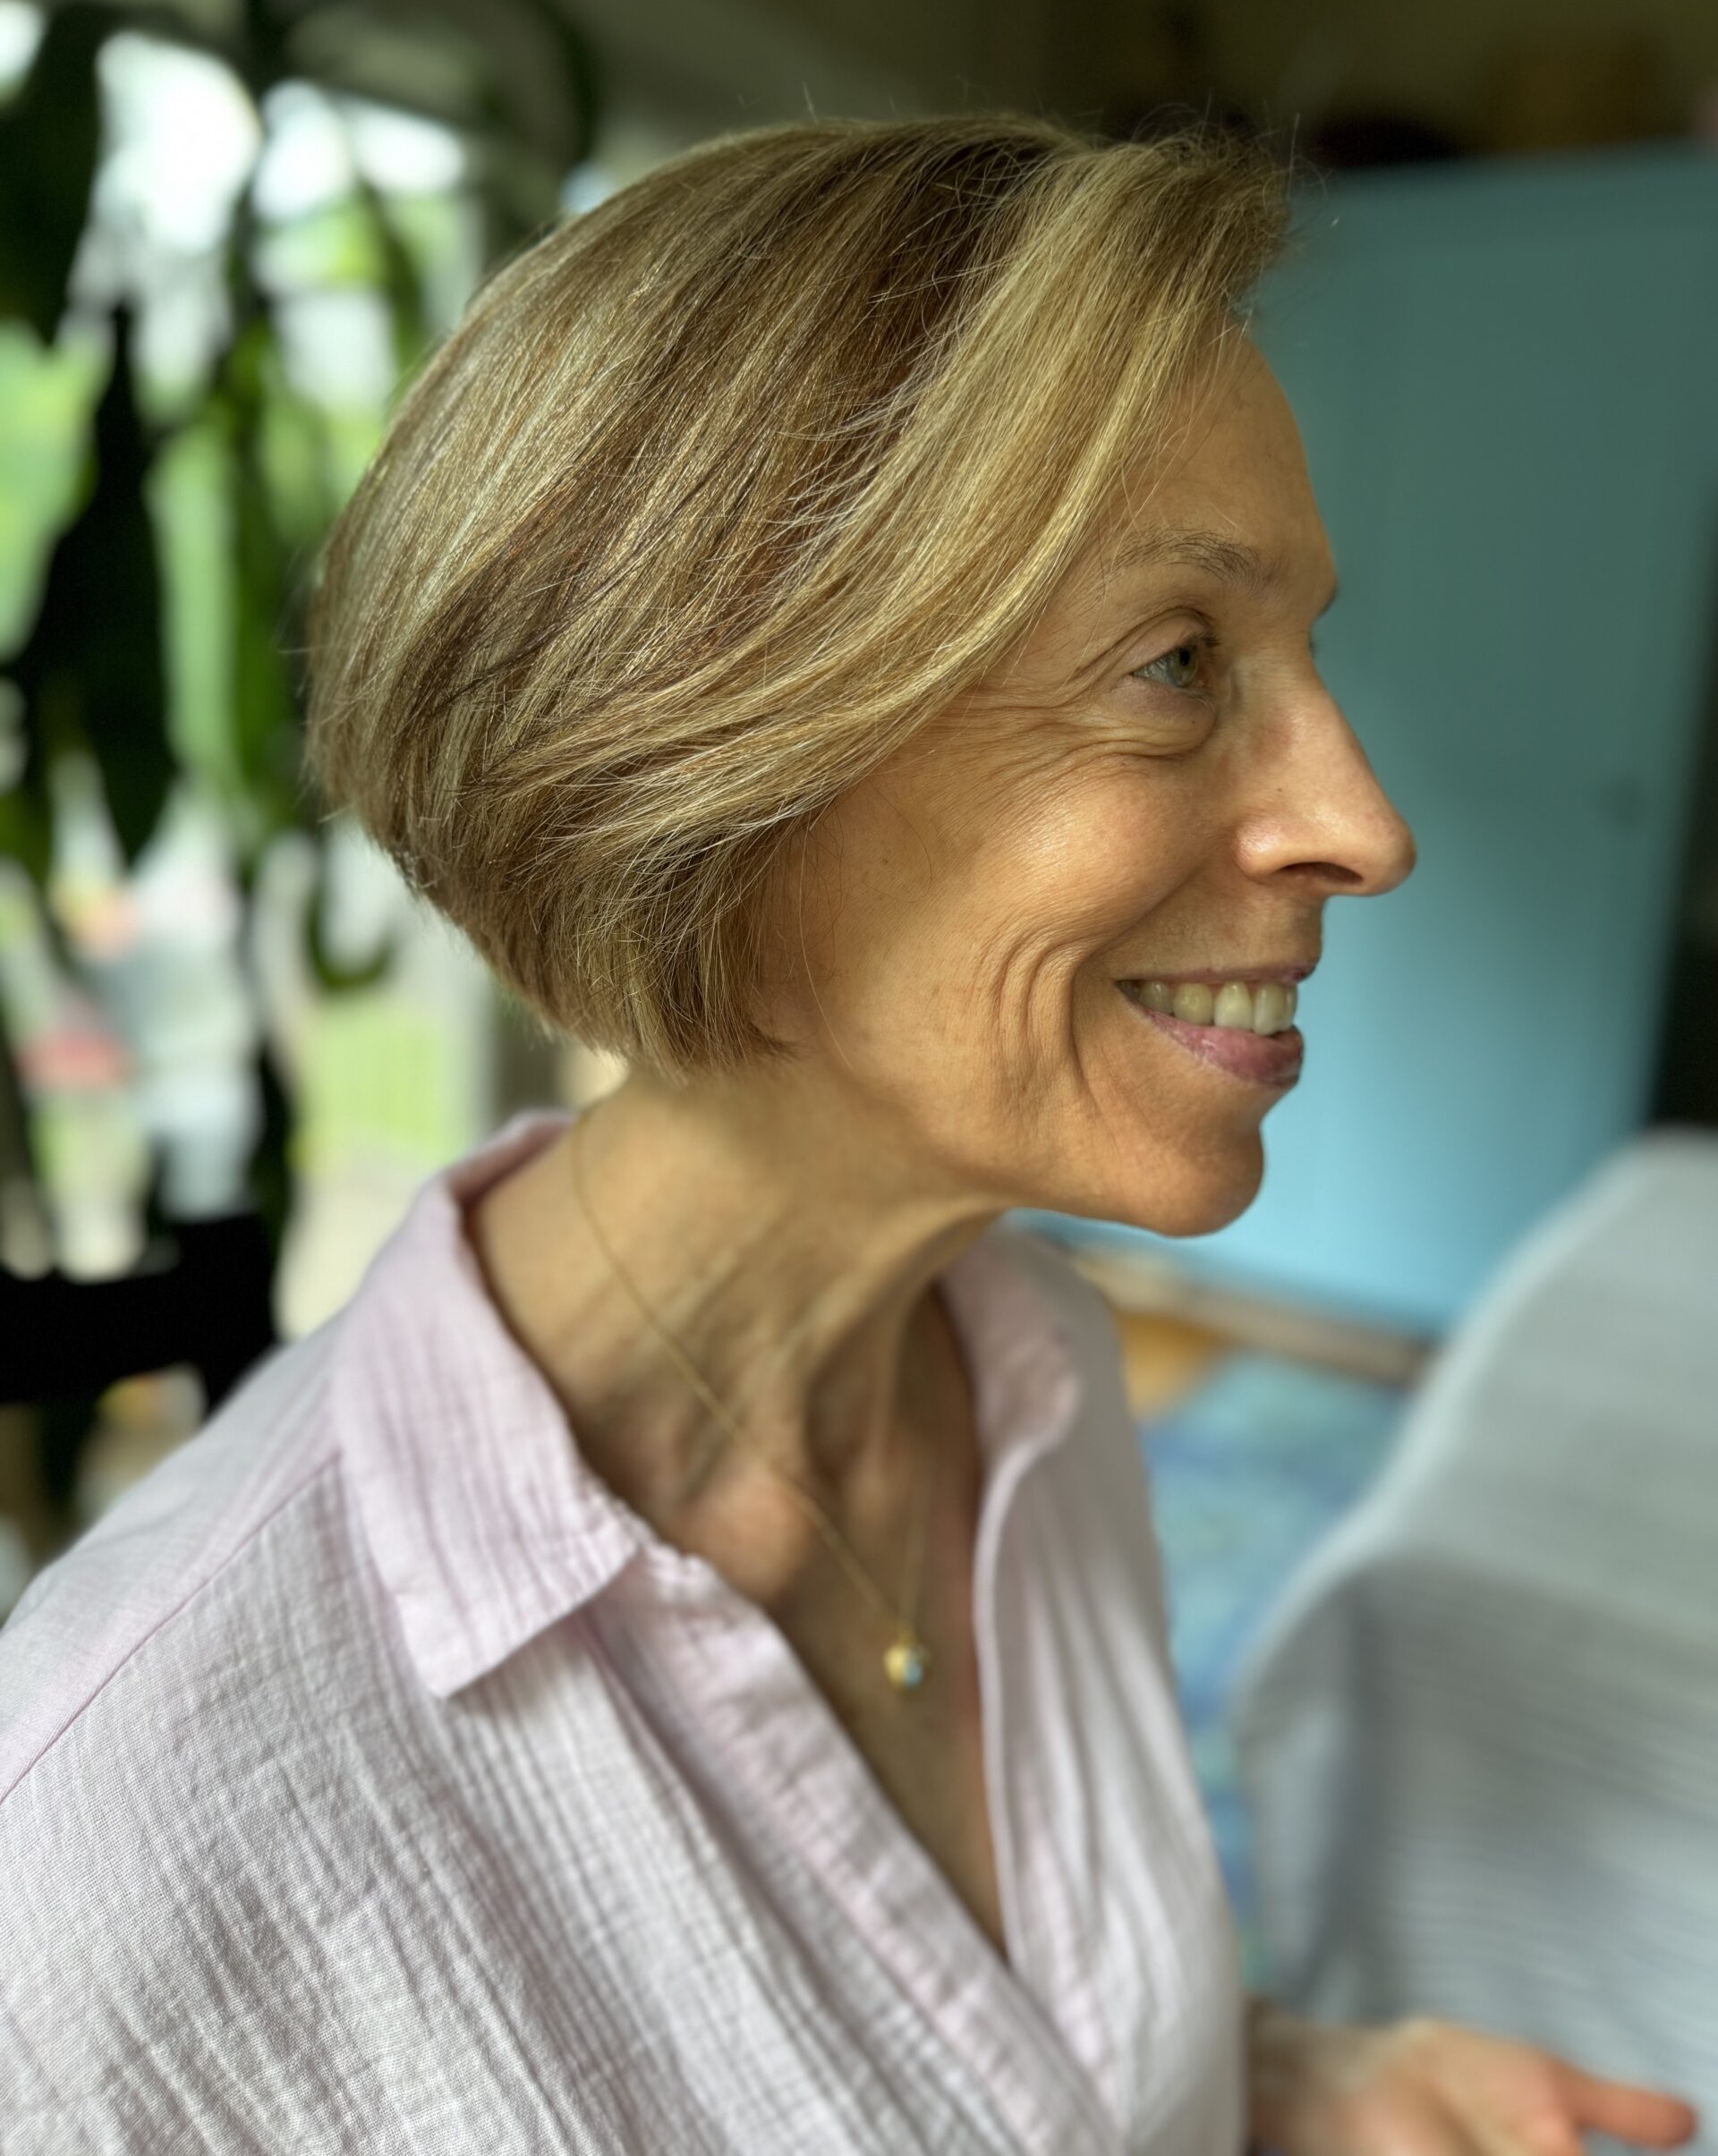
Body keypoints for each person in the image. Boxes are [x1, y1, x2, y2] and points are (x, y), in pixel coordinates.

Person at [0, 116, 1700, 2156]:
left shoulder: (1031, 1369)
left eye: (1301, 653)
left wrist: (1284, 2083)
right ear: (718, 753)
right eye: (1177, 663)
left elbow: (986, 2060)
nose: (1363, 818)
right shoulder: (99, 1874)